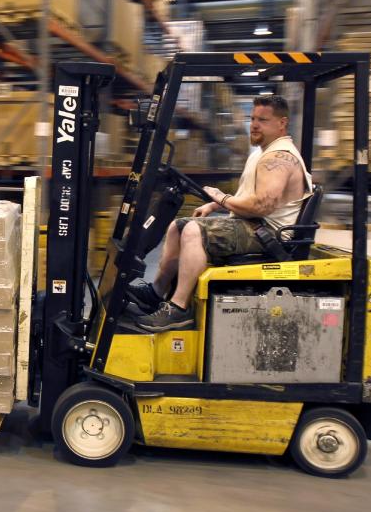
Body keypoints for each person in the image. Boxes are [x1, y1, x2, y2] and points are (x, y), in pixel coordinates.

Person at [126, 94, 313, 333]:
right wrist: (214, 205)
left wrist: (220, 197)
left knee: (195, 231)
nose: (254, 125)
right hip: (252, 225)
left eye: (263, 120)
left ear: (282, 123)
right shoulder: (262, 152)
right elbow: (248, 196)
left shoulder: (280, 156)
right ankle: (156, 292)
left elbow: (261, 206)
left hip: (268, 235)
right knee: (179, 225)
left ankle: (178, 308)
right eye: (252, 118)